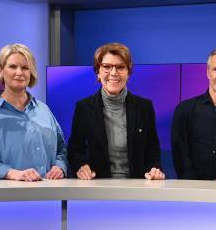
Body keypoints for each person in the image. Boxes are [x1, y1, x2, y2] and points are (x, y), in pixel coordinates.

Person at [0, 44, 66, 181]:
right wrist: (13, 174)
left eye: (25, 68)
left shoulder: (44, 110)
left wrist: (59, 167)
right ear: (1, 71)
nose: (19, 73)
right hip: (7, 197)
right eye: (13, 66)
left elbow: (61, 150)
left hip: (49, 195)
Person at [67, 42, 164, 180]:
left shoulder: (144, 107)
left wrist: (155, 169)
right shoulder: (84, 107)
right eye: (106, 67)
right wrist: (81, 166)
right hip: (97, 184)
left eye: (120, 67)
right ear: (98, 72)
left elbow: (152, 149)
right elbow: (75, 149)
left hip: (137, 185)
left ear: (128, 73)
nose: (113, 73)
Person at [171, 47, 216, 180]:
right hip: (189, 189)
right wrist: (195, 185)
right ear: (208, 73)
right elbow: (180, 153)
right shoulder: (185, 109)